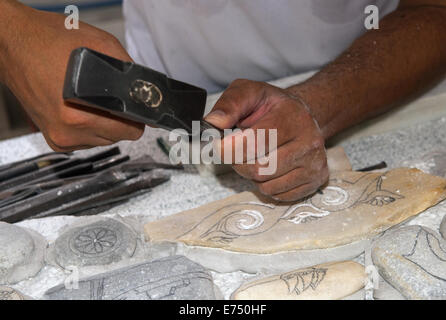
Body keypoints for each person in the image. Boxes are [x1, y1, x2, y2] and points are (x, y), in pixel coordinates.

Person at [0, 0, 445, 201]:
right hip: (160, 92)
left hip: (364, 77)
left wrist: (316, 103)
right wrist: (11, 31)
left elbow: (435, 10)